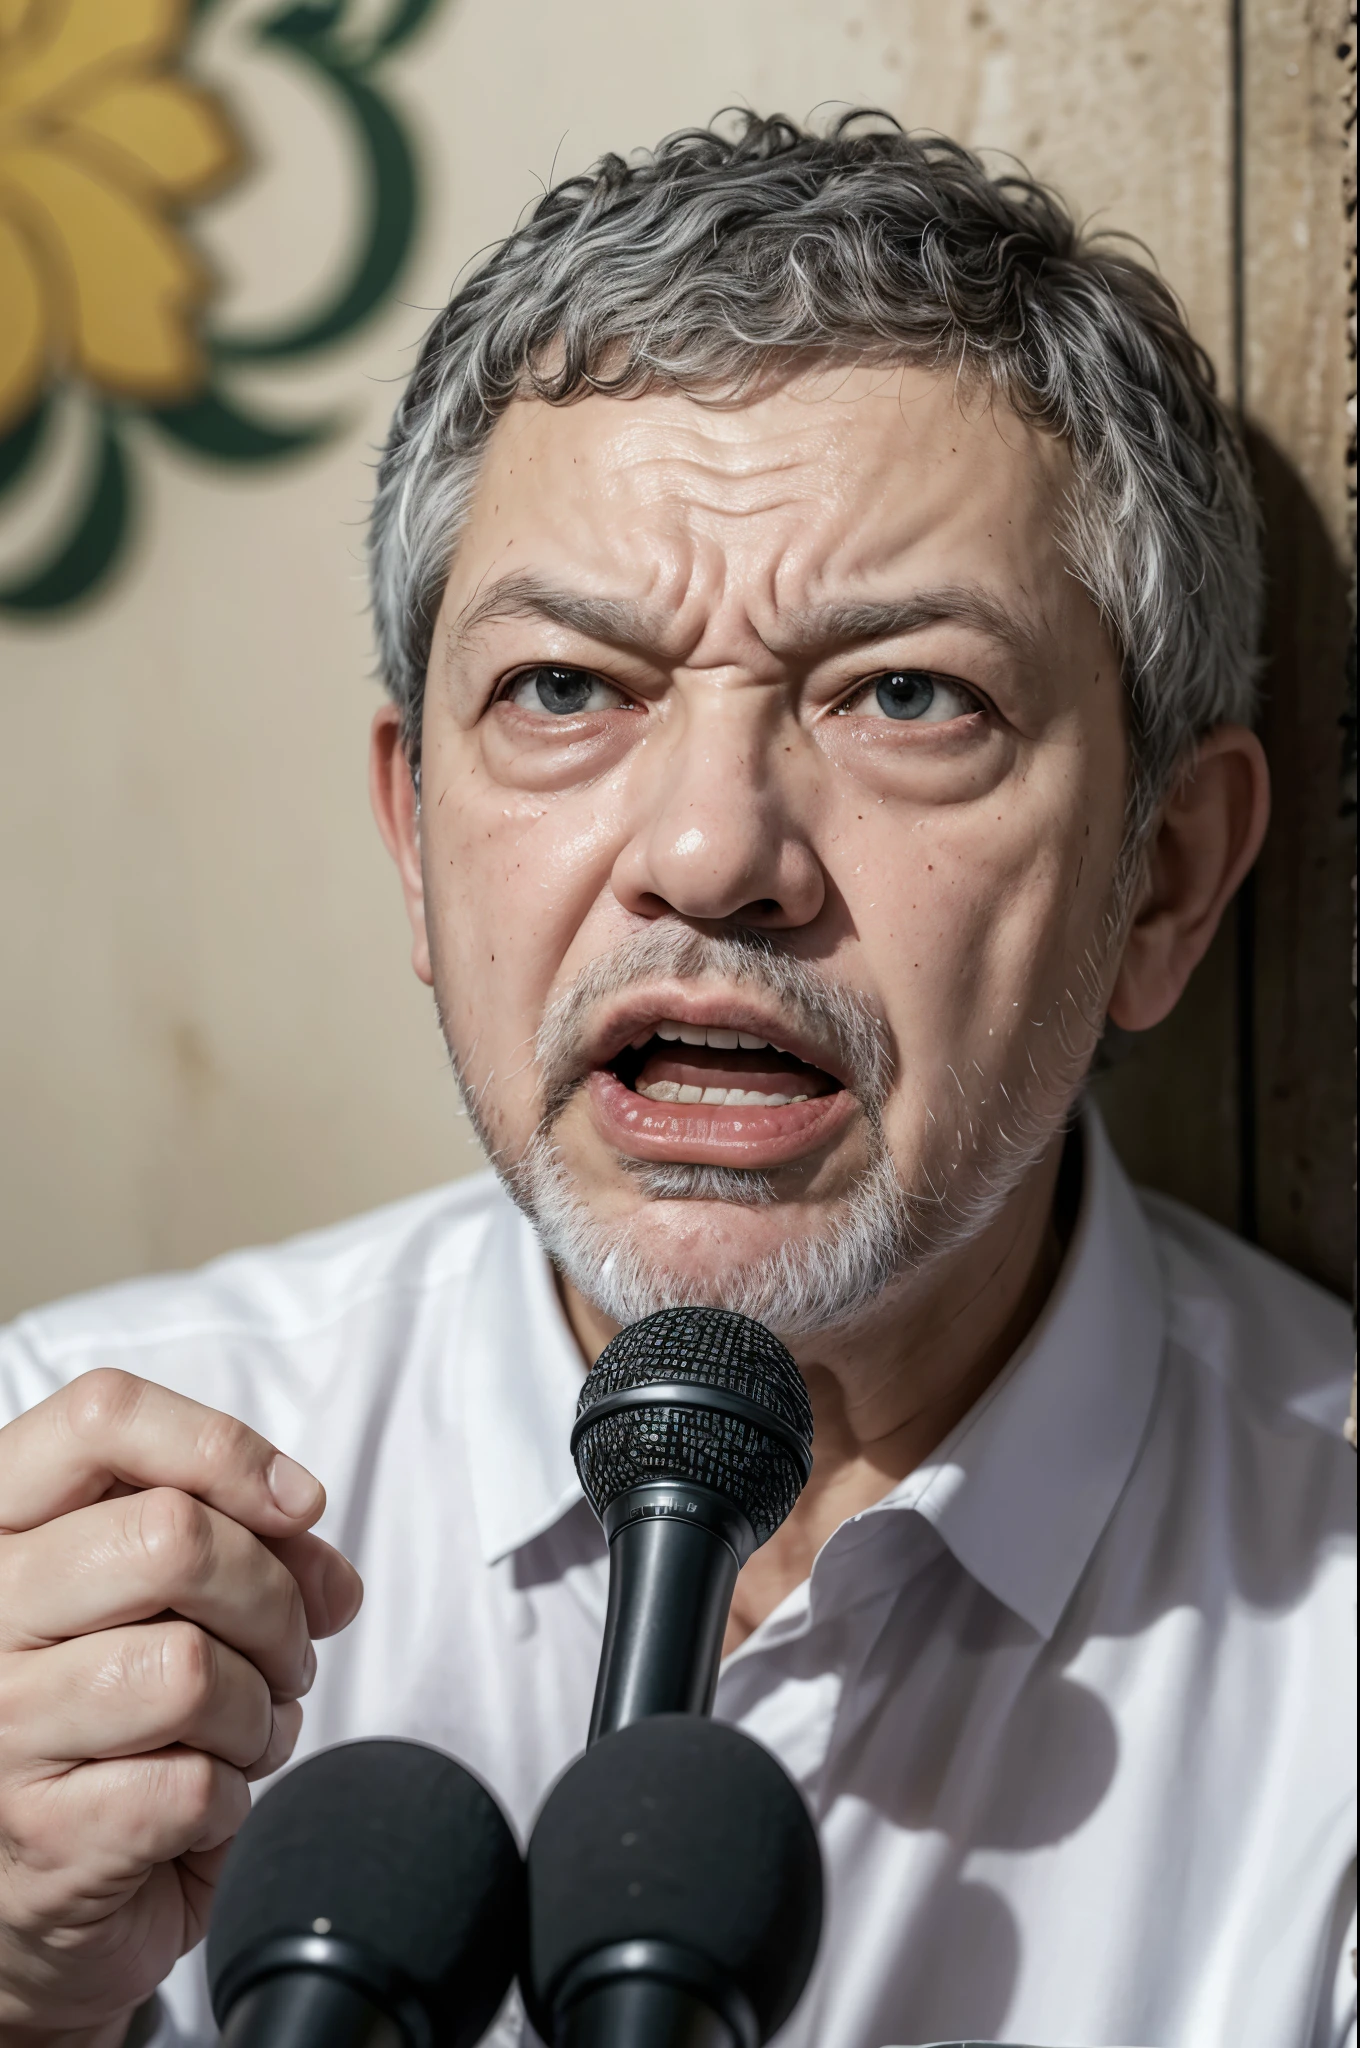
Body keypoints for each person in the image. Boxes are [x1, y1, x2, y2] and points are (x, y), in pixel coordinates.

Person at [0, 111, 1352, 2048]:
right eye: (565, 689)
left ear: (1161, 875)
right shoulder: (59, 1511)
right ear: (412, 836)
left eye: (903, 696)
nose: (710, 851)